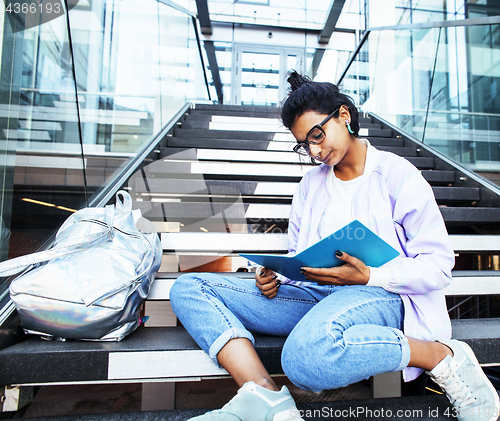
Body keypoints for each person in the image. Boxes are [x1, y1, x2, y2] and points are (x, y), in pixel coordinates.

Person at [170, 72, 500, 421]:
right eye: (304, 144)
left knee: (303, 359)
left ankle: (439, 356)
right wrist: (277, 276)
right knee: (190, 286)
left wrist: (370, 274)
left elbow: (438, 266)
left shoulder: (397, 175)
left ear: (344, 115)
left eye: (317, 135)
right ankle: (264, 396)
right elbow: (300, 254)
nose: (314, 151)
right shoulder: (310, 186)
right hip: (316, 295)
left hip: (383, 294)